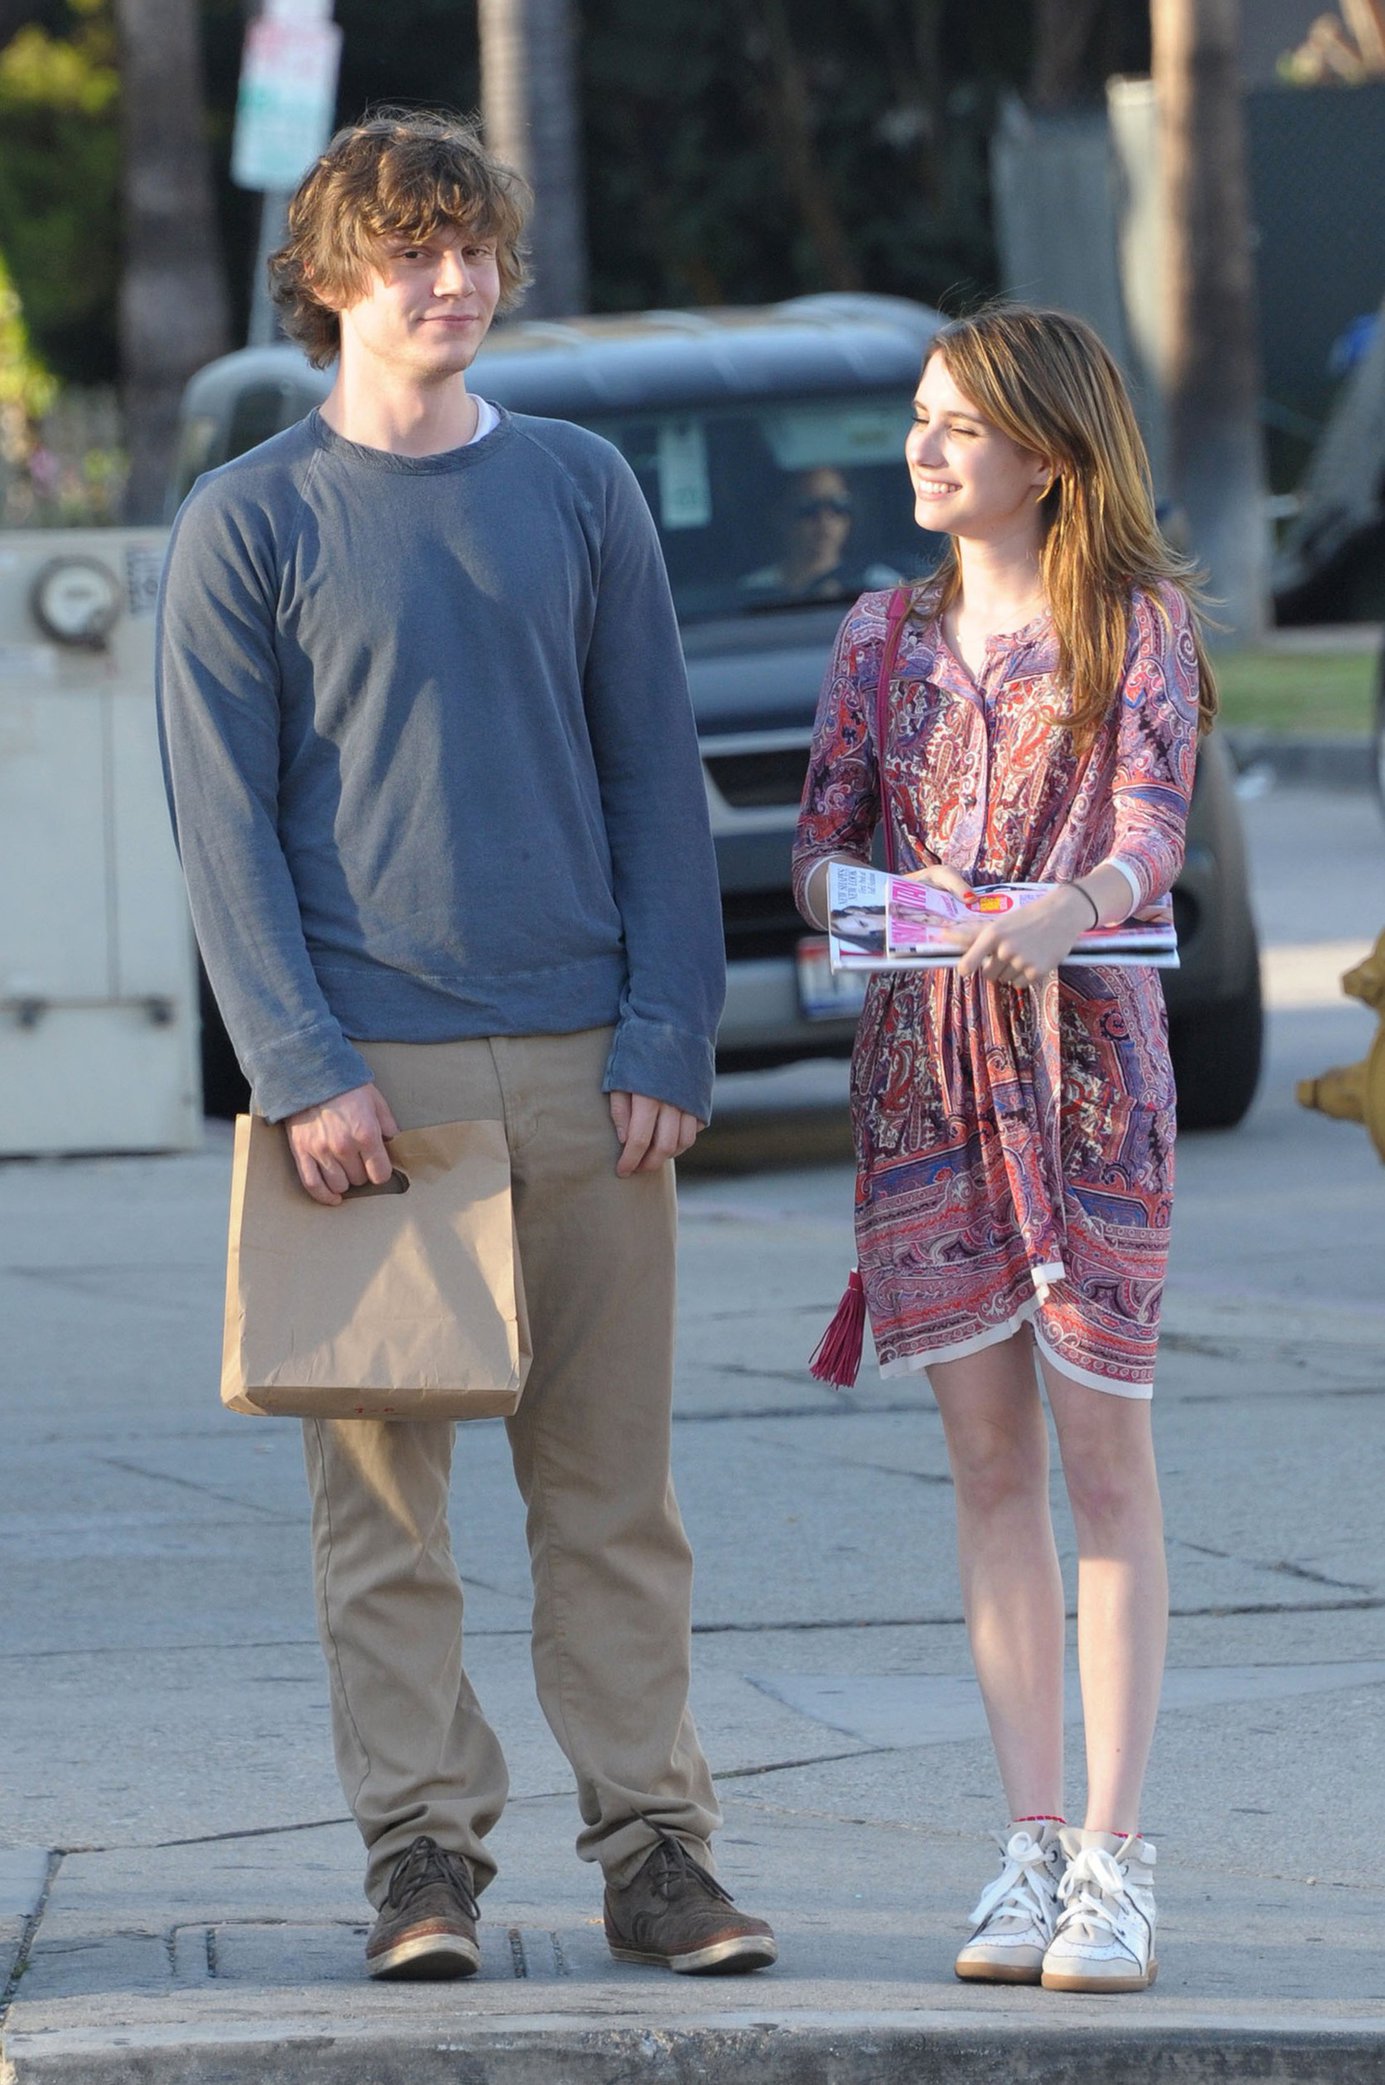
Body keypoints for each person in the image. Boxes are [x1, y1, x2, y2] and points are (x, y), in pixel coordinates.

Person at [156, 109, 775, 1984]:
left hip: (593, 1068)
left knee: (610, 1500)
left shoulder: (580, 488)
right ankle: (421, 1863)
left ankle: (657, 1857)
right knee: (383, 1517)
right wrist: (299, 1063)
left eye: (478, 248)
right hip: (372, 1091)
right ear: (333, 276)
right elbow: (223, 824)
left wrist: (674, 1023)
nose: (456, 280)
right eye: (417, 251)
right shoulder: (247, 520)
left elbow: (655, 782)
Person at [793, 305, 1215, 1995]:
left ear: (1047, 453)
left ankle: (1119, 1864)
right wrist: (868, 903)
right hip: (920, 1080)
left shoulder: (1136, 622)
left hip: (1093, 1070)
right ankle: (1029, 1850)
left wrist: (1069, 910)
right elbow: (821, 846)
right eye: (919, 418)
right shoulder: (877, 636)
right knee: (985, 1474)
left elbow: (1152, 833)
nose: (925, 446)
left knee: (1105, 1466)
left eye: (959, 424)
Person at [740, 465, 899, 603]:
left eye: (837, 506)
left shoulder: (881, 585)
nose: (824, 520)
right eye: (808, 507)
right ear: (781, 516)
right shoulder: (754, 592)